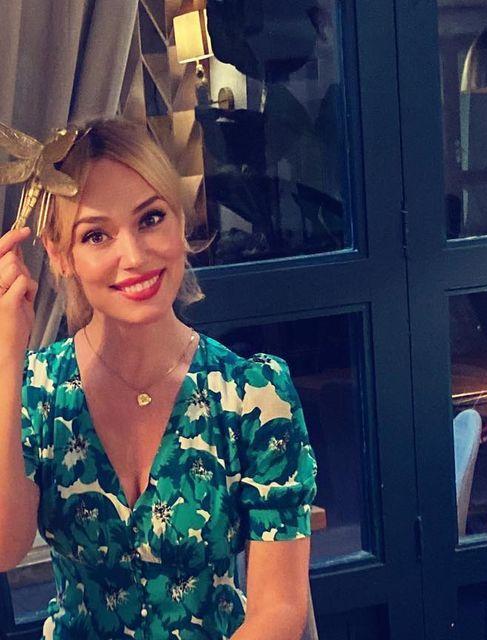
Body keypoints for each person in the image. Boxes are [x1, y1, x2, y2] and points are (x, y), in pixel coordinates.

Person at [0, 118, 317, 639]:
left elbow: (279, 608)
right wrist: (7, 355)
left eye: (150, 219)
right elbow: (5, 548)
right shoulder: (37, 391)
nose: (134, 256)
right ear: (60, 255)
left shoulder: (253, 394)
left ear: (181, 222)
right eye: (96, 235)